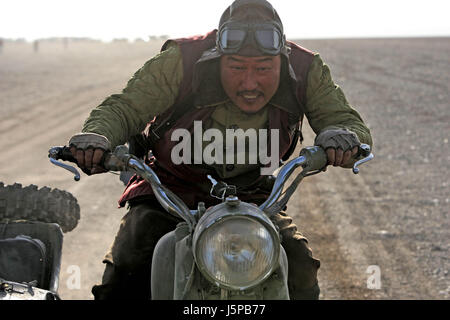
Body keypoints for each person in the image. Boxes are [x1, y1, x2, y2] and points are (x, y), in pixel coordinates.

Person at [68, 0, 372, 300]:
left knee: (298, 268)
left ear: (282, 60)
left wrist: (340, 137)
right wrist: (97, 136)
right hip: (170, 194)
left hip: (251, 201)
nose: (250, 83)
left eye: (264, 68)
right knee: (128, 269)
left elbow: (342, 119)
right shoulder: (182, 60)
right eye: (237, 67)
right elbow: (126, 108)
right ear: (218, 57)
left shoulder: (305, 69)